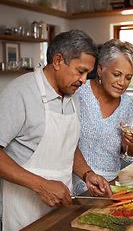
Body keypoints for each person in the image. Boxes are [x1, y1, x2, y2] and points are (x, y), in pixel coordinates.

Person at [0, 30, 113, 231]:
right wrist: (41, 185)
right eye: (80, 71)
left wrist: (87, 174)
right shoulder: (19, 93)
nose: (84, 80)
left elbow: (67, 144)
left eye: (88, 73)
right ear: (58, 61)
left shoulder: (72, 94)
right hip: (23, 212)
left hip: (61, 210)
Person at [73, 39, 133, 196]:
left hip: (111, 187)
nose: (122, 83)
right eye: (116, 74)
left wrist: (128, 144)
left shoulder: (128, 104)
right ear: (100, 69)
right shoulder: (78, 93)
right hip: (77, 184)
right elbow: (64, 143)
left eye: (128, 77)